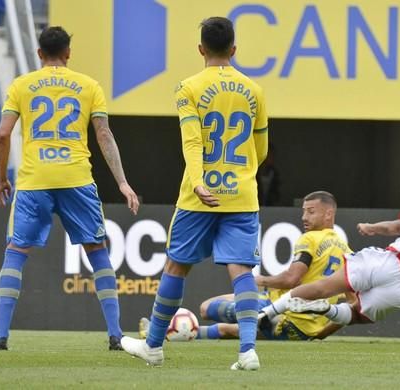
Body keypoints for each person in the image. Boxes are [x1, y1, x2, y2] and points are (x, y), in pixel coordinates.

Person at [120, 17, 268, 370]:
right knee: (242, 271)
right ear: (234, 49)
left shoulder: (188, 87)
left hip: (197, 195)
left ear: (201, 49)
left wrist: (201, 180)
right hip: (242, 195)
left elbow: (192, 139)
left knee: (176, 266)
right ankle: (247, 351)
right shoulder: (254, 90)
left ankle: (154, 346)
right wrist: (241, 176)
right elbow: (260, 148)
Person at [0, 26, 140, 351]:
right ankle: (115, 334)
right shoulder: (89, 86)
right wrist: (123, 183)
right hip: (76, 179)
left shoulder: (22, 85)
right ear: (68, 53)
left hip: (34, 180)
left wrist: (1, 179)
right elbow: (104, 136)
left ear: (39, 54)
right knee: (96, 251)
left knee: (15, 253)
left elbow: (2, 135)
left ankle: (0, 336)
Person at [261, 176, 400, 329]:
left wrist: (371, 228)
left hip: (390, 262)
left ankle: (268, 313)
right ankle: (326, 310)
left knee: (323, 287)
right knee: (357, 315)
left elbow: (397, 227)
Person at [138, 191, 351, 341]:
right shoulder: (347, 252)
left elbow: (291, 279)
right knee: (229, 325)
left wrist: (259, 280)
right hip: (303, 328)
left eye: (311, 211)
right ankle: (173, 331)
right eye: (303, 211)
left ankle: (162, 332)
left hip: (283, 317)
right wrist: (321, 333)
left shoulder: (311, 239)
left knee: (207, 309)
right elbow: (352, 305)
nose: (304, 217)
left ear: (328, 214)